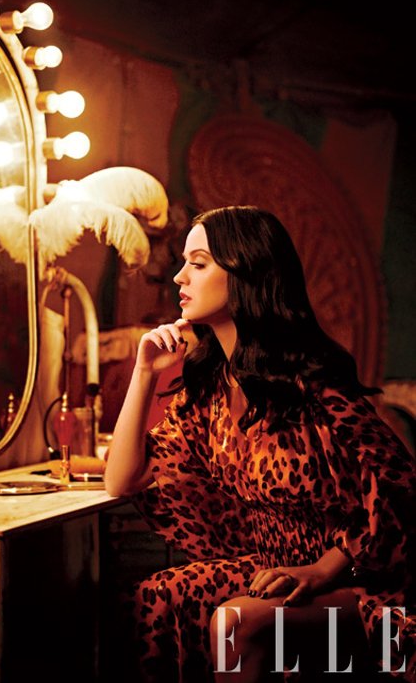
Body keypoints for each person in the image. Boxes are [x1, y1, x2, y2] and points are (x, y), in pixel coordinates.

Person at [104, 205, 416, 683]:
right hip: (272, 567)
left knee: (233, 622)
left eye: (198, 263)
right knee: (156, 596)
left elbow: (401, 490)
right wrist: (144, 373)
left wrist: (321, 569)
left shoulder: (312, 385)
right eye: (184, 262)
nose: (179, 277)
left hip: (361, 581)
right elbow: (121, 480)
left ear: (246, 273)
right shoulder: (210, 390)